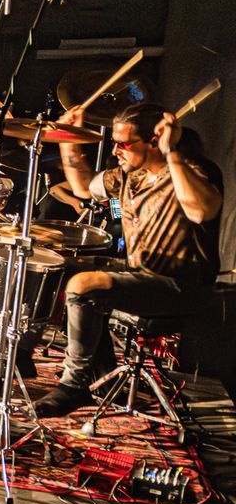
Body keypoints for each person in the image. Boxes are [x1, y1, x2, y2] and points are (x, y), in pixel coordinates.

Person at [35, 102, 224, 417]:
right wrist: (68, 139)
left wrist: (172, 153)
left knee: (83, 285)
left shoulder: (193, 171)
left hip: (182, 287)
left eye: (123, 143)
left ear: (154, 141)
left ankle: (74, 385)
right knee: (56, 266)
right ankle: (96, 374)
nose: (115, 151)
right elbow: (82, 187)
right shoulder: (126, 175)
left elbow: (201, 211)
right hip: (140, 272)